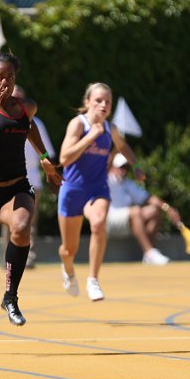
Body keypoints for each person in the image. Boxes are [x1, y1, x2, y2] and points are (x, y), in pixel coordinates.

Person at [0, 52, 62, 327]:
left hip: (16, 188)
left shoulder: (25, 106)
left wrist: (44, 159)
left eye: (10, 77)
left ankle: (10, 297)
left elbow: (28, 127)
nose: (5, 82)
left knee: (21, 226)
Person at [57, 82, 143, 302]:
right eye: (98, 100)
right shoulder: (78, 125)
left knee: (98, 222)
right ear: (87, 103)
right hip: (72, 190)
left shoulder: (109, 129)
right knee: (68, 250)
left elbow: (122, 146)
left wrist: (135, 166)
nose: (103, 105)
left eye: (107, 101)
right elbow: (64, 158)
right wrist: (89, 138)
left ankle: (93, 280)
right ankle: (68, 270)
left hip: (97, 187)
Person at [5, 84, 58, 269]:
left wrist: (50, 171)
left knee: (29, 222)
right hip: (6, 179)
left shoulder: (37, 123)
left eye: (20, 98)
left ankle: (27, 257)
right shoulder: (0, 120)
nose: (16, 101)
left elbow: (46, 153)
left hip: (32, 180)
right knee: (8, 221)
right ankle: (10, 258)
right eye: (13, 97)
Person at [107, 153, 181, 265]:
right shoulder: (105, 179)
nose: (123, 170)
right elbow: (106, 161)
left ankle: (148, 255)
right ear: (112, 167)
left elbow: (149, 198)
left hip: (127, 220)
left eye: (126, 167)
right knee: (136, 211)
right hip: (108, 222)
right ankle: (150, 252)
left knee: (155, 210)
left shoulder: (128, 183)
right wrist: (118, 141)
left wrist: (168, 209)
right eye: (121, 167)